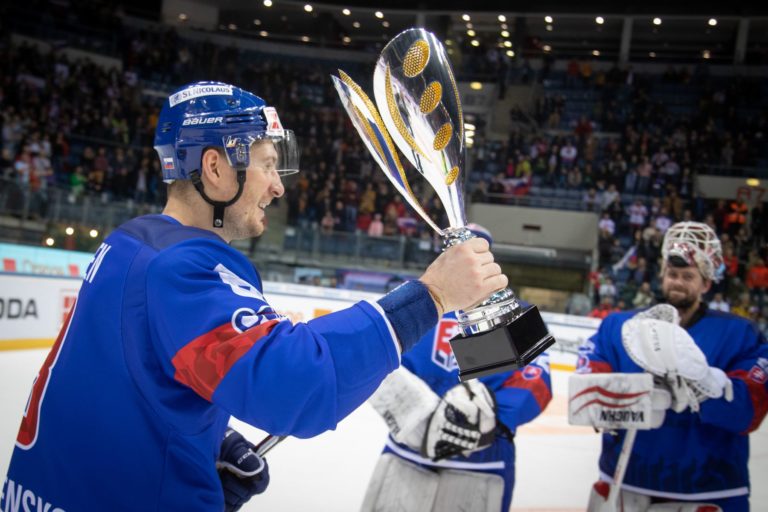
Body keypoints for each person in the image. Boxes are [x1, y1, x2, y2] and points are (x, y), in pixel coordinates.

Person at [0, 82, 507, 512]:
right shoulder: (182, 269)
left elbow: (122, 382)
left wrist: (199, 443)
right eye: (268, 164)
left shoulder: (131, 242)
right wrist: (432, 295)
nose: (278, 187)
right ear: (216, 168)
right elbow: (300, 384)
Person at [576, 221, 768, 511]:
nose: (677, 282)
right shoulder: (620, 325)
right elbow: (589, 373)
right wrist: (607, 399)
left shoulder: (741, 334)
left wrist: (704, 384)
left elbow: (750, 409)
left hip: (709, 491)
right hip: (624, 485)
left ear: (706, 283)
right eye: (672, 274)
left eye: (688, 276)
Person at [360, 225, 552, 512]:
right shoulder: (412, 305)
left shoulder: (516, 312)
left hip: (482, 462)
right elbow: (384, 362)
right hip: (408, 454)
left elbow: (537, 381)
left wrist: (490, 415)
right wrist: (407, 409)